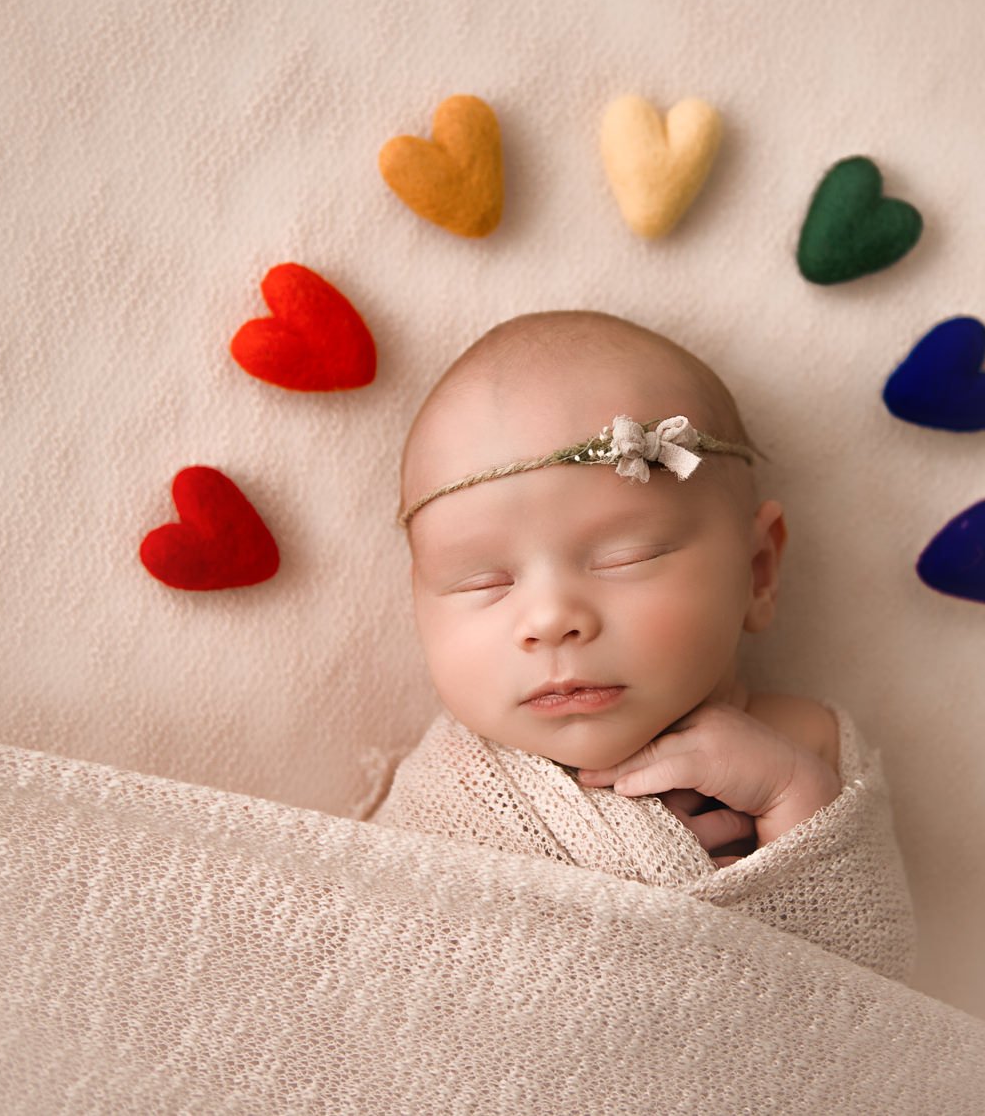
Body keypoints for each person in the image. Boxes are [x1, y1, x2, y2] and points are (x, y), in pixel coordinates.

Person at [371, 309, 916, 980]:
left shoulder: (806, 746)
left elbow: (882, 995)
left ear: (757, 572)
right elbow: (383, 977)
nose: (549, 620)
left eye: (625, 557)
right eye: (482, 581)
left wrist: (793, 802)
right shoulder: (450, 791)